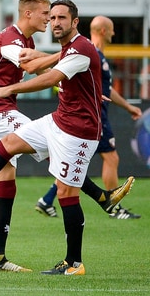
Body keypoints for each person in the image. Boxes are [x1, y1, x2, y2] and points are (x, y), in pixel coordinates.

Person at [0, 0, 129, 276]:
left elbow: (51, 78)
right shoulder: (67, 48)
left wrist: (9, 89)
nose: (54, 22)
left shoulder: (81, 48)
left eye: (61, 17)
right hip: (58, 120)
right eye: (51, 17)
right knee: (10, 143)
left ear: (75, 22)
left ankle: (74, 263)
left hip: (79, 131)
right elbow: (50, 67)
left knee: (65, 192)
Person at [35, 16, 142, 220]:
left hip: (93, 114)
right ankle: (115, 207)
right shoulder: (90, 52)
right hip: (92, 116)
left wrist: (128, 106)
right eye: (111, 29)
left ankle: (47, 200)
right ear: (103, 31)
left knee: (72, 163)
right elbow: (58, 71)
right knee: (110, 157)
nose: (114, 33)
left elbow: (105, 90)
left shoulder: (92, 53)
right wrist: (36, 59)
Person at [0, 0, 51, 273]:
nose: (49, 19)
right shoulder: (11, 39)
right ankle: (101, 196)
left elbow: (41, 72)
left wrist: (69, 82)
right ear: (28, 13)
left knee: (7, 183)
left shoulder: (27, 40)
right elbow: (27, 64)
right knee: (51, 141)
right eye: (45, 13)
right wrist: (67, 55)